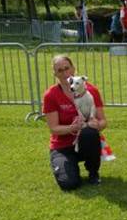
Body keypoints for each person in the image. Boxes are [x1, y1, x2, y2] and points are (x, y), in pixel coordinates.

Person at [43, 55, 107, 190]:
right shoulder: (51, 95)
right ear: (55, 74)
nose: (65, 73)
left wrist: (97, 125)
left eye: (67, 68)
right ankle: (70, 167)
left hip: (85, 142)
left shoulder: (92, 91)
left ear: (73, 68)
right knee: (69, 184)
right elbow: (54, 129)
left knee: (89, 132)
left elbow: (103, 122)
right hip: (63, 146)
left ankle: (93, 172)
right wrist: (72, 127)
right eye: (60, 71)